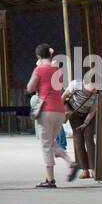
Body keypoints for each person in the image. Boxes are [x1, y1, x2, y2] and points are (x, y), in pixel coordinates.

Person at [27, 44, 77, 188]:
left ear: (38, 56)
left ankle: (50, 179)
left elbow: (30, 88)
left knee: (46, 145)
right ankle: (70, 162)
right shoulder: (58, 70)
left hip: (46, 110)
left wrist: (39, 86)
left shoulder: (39, 69)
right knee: (50, 142)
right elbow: (60, 88)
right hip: (59, 110)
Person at [62, 78, 99, 179]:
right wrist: (60, 111)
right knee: (78, 139)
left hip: (88, 115)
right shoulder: (75, 85)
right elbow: (64, 96)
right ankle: (84, 169)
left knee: (89, 139)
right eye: (92, 88)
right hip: (74, 112)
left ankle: (95, 169)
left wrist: (86, 123)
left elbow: (93, 110)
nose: (94, 90)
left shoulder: (96, 93)